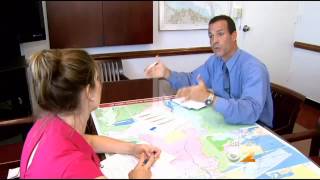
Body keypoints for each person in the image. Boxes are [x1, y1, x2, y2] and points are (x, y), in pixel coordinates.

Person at [20, 49, 161, 179]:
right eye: (98, 78)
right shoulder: (76, 168)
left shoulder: (49, 121)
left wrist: (132, 148)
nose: (101, 83)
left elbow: (87, 141)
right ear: (89, 92)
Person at [145, 15, 273, 128]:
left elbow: (249, 112)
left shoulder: (254, 68)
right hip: (228, 123)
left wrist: (209, 98)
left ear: (234, 36)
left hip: (256, 128)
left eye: (220, 34)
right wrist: (167, 73)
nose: (214, 40)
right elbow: (192, 80)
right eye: (211, 36)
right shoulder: (214, 61)